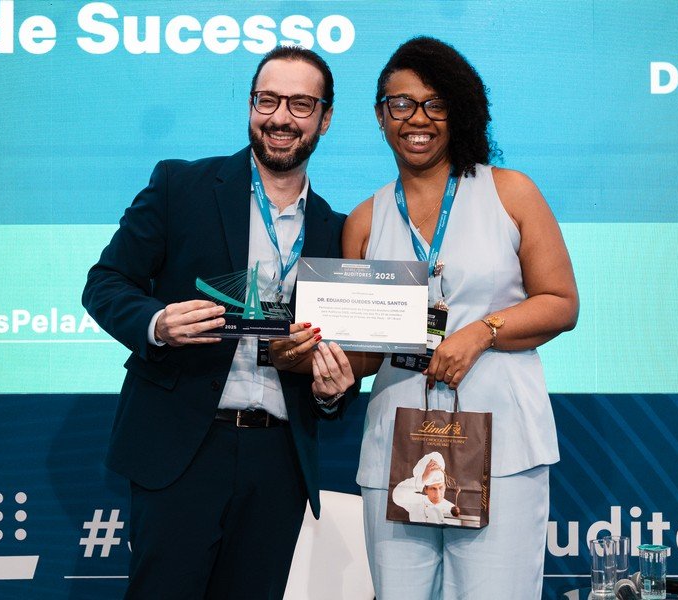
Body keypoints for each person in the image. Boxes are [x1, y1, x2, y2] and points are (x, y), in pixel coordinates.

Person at [82, 46, 355, 600]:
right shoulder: (180, 186)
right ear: (251, 106)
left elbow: (336, 365)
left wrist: (330, 392)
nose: (280, 117)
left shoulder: (338, 231)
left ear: (325, 118)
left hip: (278, 460)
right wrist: (157, 322)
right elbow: (105, 282)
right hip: (183, 447)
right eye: (267, 100)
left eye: (301, 104)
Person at [342, 37, 579, 599]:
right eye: (402, 104)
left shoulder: (510, 192)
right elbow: (364, 352)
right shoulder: (364, 220)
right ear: (380, 114)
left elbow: (561, 302)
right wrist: (321, 363)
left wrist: (482, 332)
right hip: (397, 449)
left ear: (459, 111)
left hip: (501, 444)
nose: (417, 119)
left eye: (435, 104)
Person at [392, 452, 457, 525]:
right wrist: (422, 479)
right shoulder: (416, 502)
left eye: (441, 487)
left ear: (445, 486)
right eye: (433, 488)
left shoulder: (451, 508)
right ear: (426, 490)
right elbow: (397, 495)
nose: (438, 493)